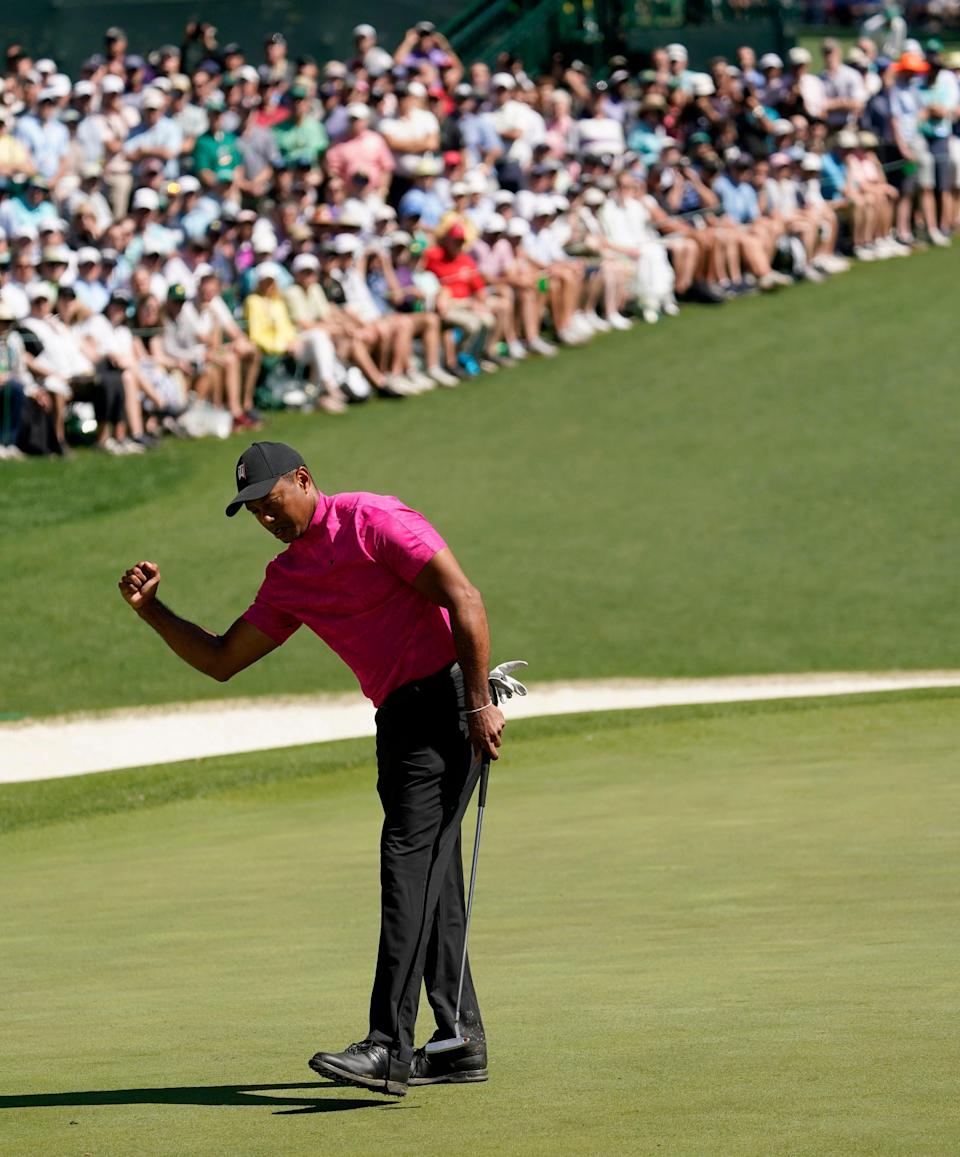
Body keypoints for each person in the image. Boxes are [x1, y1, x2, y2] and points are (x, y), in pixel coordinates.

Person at [118, 440, 512, 1097]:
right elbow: (221, 658)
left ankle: (388, 1045)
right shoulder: (288, 579)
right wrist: (152, 609)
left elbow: (465, 600)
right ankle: (459, 1039)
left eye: (273, 503)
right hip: (398, 719)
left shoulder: (373, 520)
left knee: (407, 862)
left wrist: (477, 703)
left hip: (447, 699)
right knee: (431, 872)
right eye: (255, 514)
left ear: (304, 479)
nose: (267, 520)